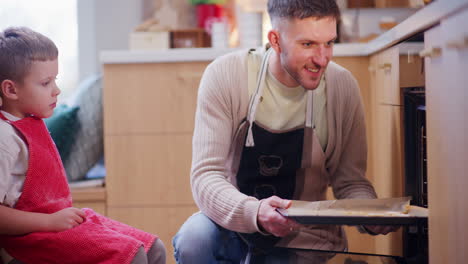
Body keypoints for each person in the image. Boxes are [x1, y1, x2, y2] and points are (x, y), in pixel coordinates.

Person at [173, 0, 397, 263]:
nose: (322, 58)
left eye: (329, 43)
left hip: (302, 237)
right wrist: (255, 213)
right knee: (194, 239)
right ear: (276, 40)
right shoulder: (226, 75)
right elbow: (205, 176)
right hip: (233, 225)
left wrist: (370, 216)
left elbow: (350, 181)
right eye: (308, 44)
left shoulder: (342, 87)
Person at [0, 27, 166, 264]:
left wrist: (57, 219)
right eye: (46, 83)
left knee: (153, 248)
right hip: (27, 240)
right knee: (132, 255)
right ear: (11, 90)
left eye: (55, 80)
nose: (56, 90)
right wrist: (50, 222)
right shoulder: (5, 138)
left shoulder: (32, 121)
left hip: (55, 222)